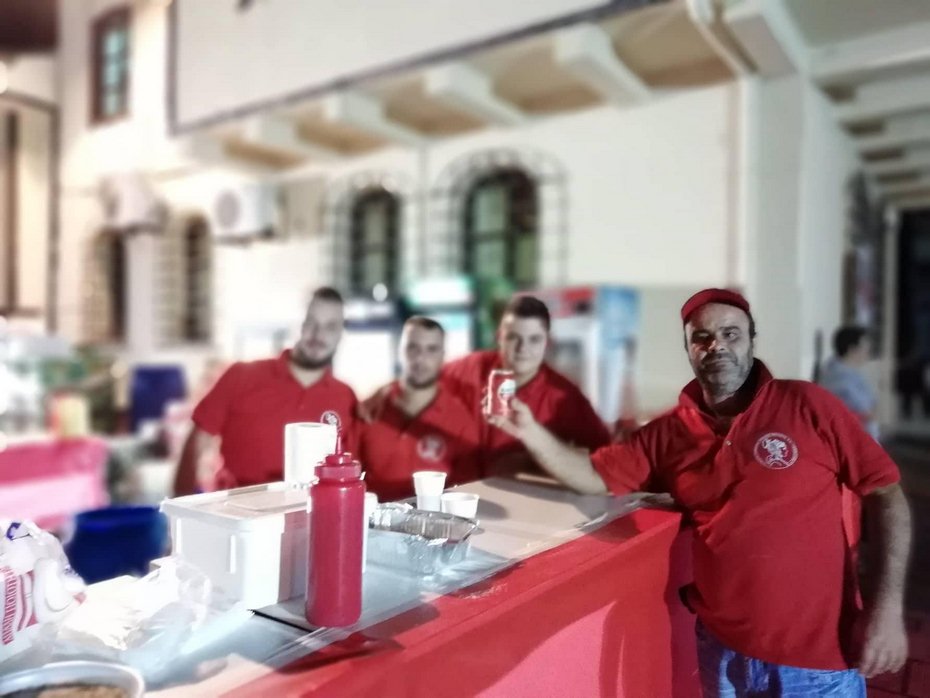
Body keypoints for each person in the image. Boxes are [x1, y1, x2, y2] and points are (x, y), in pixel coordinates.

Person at [489, 288, 911, 696]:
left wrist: (887, 609)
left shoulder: (807, 404)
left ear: (751, 341)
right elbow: (594, 476)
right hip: (722, 651)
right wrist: (527, 429)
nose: (716, 346)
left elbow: (886, 492)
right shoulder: (670, 433)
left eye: (730, 333)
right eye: (702, 337)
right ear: (689, 349)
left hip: (816, 661)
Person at [173, 287, 358, 495]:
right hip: (235, 509)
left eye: (330, 327)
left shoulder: (346, 397)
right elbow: (198, 440)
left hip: (312, 512)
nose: (318, 334)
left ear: (341, 334)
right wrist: (179, 503)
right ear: (298, 324)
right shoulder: (241, 376)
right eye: (310, 322)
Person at [442, 294, 610, 475]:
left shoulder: (565, 398)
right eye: (513, 337)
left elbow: (606, 459)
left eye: (534, 339)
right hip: (451, 488)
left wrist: (537, 462)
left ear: (547, 342)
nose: (523, 348)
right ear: (499, 337)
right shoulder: (468, 369)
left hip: (516, 492)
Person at [357, 316, 482, 501]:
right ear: (399, 350)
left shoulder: (461, 422)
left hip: (431, 518)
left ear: (442, 355)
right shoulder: (369, 410)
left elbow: (466, 494)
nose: (421, 358)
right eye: (413, 347)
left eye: (431, 349)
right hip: (372, 516)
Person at [819, 325, 880, 440]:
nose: (868, 354)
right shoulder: (840, 378)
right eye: (865, 349)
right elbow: (867, 412)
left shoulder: (838, 370)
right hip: (854, 440)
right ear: (852, 349)